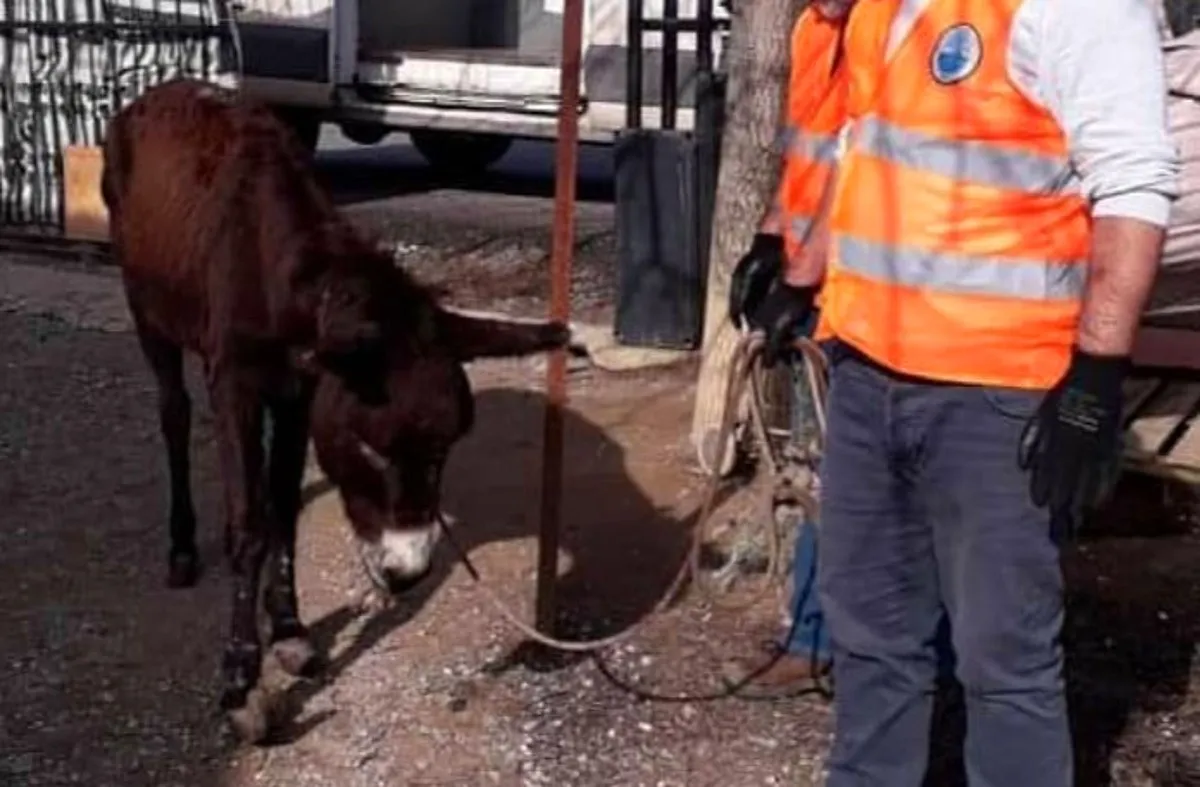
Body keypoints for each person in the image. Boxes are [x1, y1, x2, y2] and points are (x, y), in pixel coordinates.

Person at [749, 0, 1181, 784]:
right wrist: (793, 263)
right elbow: (855, 146)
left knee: (1005, 662)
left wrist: (1095, 376)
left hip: (997, 396)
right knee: (872, 644)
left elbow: (1133, 185)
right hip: (866, 374)